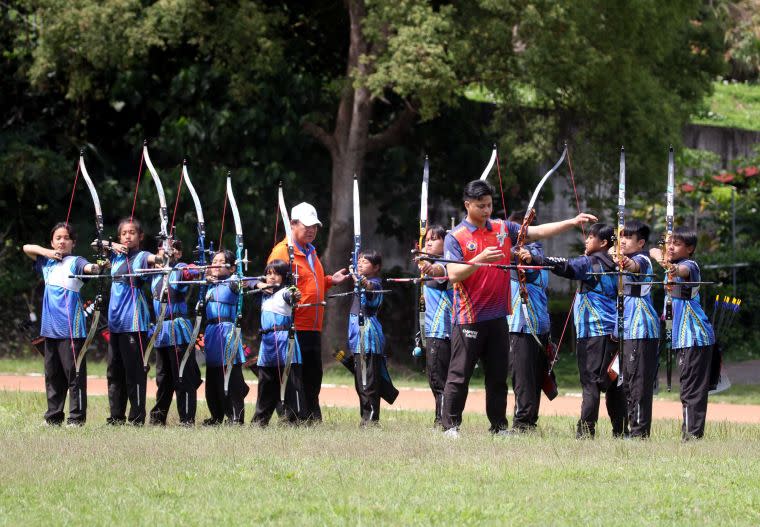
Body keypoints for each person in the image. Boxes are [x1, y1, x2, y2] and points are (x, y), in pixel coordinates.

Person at [440, 179, 596, 437]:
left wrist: (571, 222)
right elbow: (454, 274)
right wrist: (479, 259)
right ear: (467, 205)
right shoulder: (455, 237)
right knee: (459, 375)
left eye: (490, 205)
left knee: (498, 377)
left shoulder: (502, 228)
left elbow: (536, 232)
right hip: (469, 318)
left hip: (499, 316)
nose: (487, 210)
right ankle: (450, 426)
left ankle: (499, 427)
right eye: (481, 206)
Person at [518, 223, 628, 439]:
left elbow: (566, 266)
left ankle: (586, 433)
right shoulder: (616, 265)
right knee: (612, 383)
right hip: (613, 333)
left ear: (603, 243)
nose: (586, 241)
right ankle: (621, 431)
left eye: (590, 238)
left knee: (591, 384)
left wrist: (536, 259)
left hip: (593, 334)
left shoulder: (592, 262)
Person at [268, 202, 350, 423]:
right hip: (293, 325)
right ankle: (293, 416)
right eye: (307, 226)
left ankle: (312, 417)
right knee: (295, 375)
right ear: (293, 224)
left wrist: (331, 280)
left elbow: (311, 284)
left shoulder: (311, 251)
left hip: (313, 325)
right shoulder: (283, 252)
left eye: (315, 226)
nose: (312, 230)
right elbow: (273, 286)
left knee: (314, 375)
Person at [23, 222, 103, 426]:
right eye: (58, 237)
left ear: (73, 243)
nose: (62, 241)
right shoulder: (46, 262)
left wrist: (97, 267)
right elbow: (26, 248)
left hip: (71, 331)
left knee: (74, 376)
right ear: (52, 241)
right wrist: (47, 252)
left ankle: (76, 419)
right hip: (50, 330)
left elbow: (89, 268)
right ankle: (53, 417)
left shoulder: (76, 261)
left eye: (66, 238)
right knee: (53, 376)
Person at [650, 226, 715, 440]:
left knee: (692, 389)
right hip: (682, 336)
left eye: (676, 244)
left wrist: (665, 262)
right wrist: (662, 257)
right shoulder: (673, 263)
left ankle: (692, 436)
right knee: (687, 386)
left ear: (690, 248)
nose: (670, 247)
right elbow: (657, 255)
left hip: (694, 335)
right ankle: (689, 434)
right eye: (669, 242)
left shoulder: (689, 265)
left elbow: (679, 271)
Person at [106, 218, 163, 426]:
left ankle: (137, 418)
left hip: (134, 323)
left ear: (140, 237)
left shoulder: (141, 256)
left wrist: (163, 256)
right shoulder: (115, 257)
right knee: (114, 372)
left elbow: (155, 260)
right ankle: (116, 417)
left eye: (132, 233)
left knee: (134, 373)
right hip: (115, 324)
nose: (127, 236)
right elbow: (97, 243)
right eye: (123, 233)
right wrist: (113, 245)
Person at [147, 241, 202, 426]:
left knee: (182, 376)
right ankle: (157, 419)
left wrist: (194, 268)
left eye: (174, 249)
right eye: (164, 247)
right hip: (161, 331)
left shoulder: (178, 268)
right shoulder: (154, 274)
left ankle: (187, 420)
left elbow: (189, 272)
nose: (169, 251)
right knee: (163, 378)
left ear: (178, 254)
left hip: (178, 329)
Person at [614, 220, 660, 438]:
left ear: (640, 243)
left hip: (642, 328)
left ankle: (640, 432)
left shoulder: (641, 260)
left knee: (639, 383)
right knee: (629, 380)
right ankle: (633, 429)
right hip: (628, 328)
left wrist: (621, 259)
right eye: (620, 236)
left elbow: (633, 266)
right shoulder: (627, 259)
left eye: (628, 237)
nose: (622, 241)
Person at [507, 210, 551, 432]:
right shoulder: (536, 255)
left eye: (519, 231)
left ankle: (523, 423)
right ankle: (529, 421)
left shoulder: (529, 255)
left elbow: (522, 260)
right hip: (536, 325)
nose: (514, 235)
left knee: (525, 377)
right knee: (530, 376)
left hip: (524, 326)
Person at [252, 259, 306, 426]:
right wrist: (259, 285)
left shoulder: (285, 291)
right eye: (269, 274)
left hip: (284, 342)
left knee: (291, 383)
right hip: (268, 344)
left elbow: (293, 294)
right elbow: (246, 280)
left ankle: (295, 420)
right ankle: (260, 421)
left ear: (284, 277)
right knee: (266, 384)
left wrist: (295, 294)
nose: (272, 277)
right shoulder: (265, 294)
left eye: (276, 274)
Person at [202, 250, 251, 425]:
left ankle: (236, 417)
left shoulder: (233, 282)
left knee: (231, 375)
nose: (215, 264)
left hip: (227, 331)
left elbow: (246, 282)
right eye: (214, 260)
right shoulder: (209, 285)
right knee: (213, 375)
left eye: (221, 261)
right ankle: (216, 416)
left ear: (231, 268)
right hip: (212, 331)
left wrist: (242, 280)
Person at [417, 225, 452, 427]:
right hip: (433, 330)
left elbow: (440, 273)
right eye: (427, 239)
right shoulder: (431, 262)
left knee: (439, 379)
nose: (428, 242)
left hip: (441, 331)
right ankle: (443, 418)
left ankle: (443, 421)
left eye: (434, 239)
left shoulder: (446, 263)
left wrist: (429, 267)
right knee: (435, 378)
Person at [349, 250, 389, 426]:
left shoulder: (375, 283)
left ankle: (372, 420)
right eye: (359, 261)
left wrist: (363, 283)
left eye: (365, 262)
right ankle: (366, 418)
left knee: (369, 381)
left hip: (368, 337)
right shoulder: (361, 282)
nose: (360, 264)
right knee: (361, 382)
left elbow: (372, 291)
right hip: (358, 337)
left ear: (376, 267)